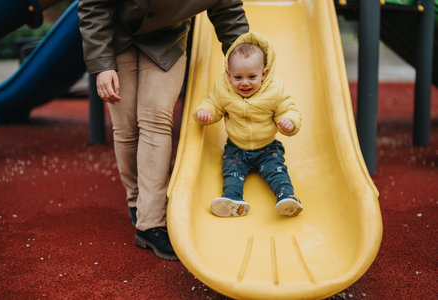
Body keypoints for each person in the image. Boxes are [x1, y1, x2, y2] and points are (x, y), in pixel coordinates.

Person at [77, 0, 249, 261]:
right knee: (126, 126)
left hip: (166, 40)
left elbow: (228, 13)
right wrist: (102, 65)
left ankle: (151, 223)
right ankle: (136, 200)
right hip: (115, 33)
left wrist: (249, 63)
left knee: (155, 119)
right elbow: (94, 5)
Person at [194, 32, 303, 218]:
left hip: (267, 148)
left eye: (252, 77)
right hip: (237, 147)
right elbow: (213, 104)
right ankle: (233, 200)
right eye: (238, 78)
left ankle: (287, 197)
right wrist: (205, 113)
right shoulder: (223, 89)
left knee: (276, 171)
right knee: (231, 172)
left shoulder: (274, 90)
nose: (245, 83)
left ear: (264, 73)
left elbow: (288, 109)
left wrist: (289, 122)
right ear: (229, 75)